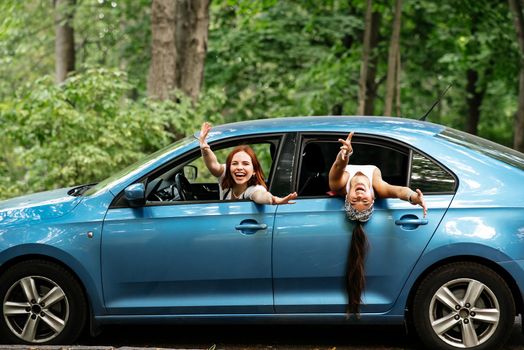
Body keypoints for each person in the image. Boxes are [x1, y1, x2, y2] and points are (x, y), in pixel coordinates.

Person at [329, 131, 427, 314]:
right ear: (373, 198)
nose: (359, 196)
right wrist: (414, 197)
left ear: (346, 197)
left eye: (355, 200)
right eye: (364, 201)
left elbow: (337, 168)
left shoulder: (340, 185)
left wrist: (344, 155)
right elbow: (398, 191)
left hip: (344, 155)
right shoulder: (377, 187)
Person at [198, 122, 297, 205]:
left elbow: (261, 196)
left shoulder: (254, 189)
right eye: (235, 163)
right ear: (229, 167)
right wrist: (205, 148)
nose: (239, 167)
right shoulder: (225, 176)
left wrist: (274, 199)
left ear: (254, 171)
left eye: (245, 164)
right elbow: (213, 165)